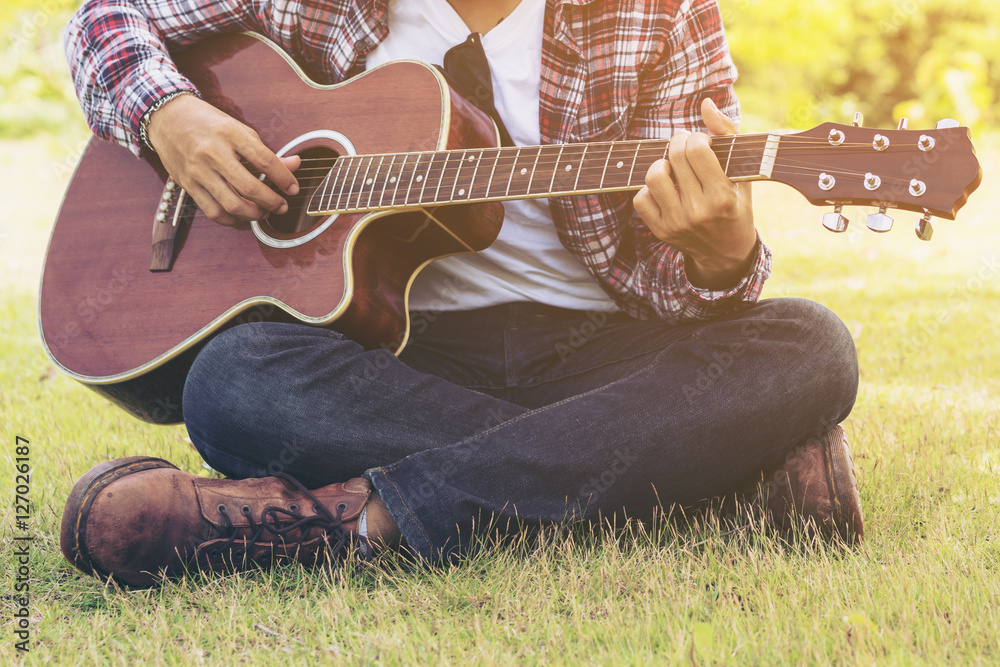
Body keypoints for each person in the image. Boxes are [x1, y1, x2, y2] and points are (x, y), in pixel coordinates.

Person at [59, 0, 863, 588]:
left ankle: (357, 523)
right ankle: (713, 493)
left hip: (597, 357)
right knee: (233, 380)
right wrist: (170, 114)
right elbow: (105, 19)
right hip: (395, 359)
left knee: (809, 346)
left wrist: (719, 256)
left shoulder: (659, 11)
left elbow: (674, 290)